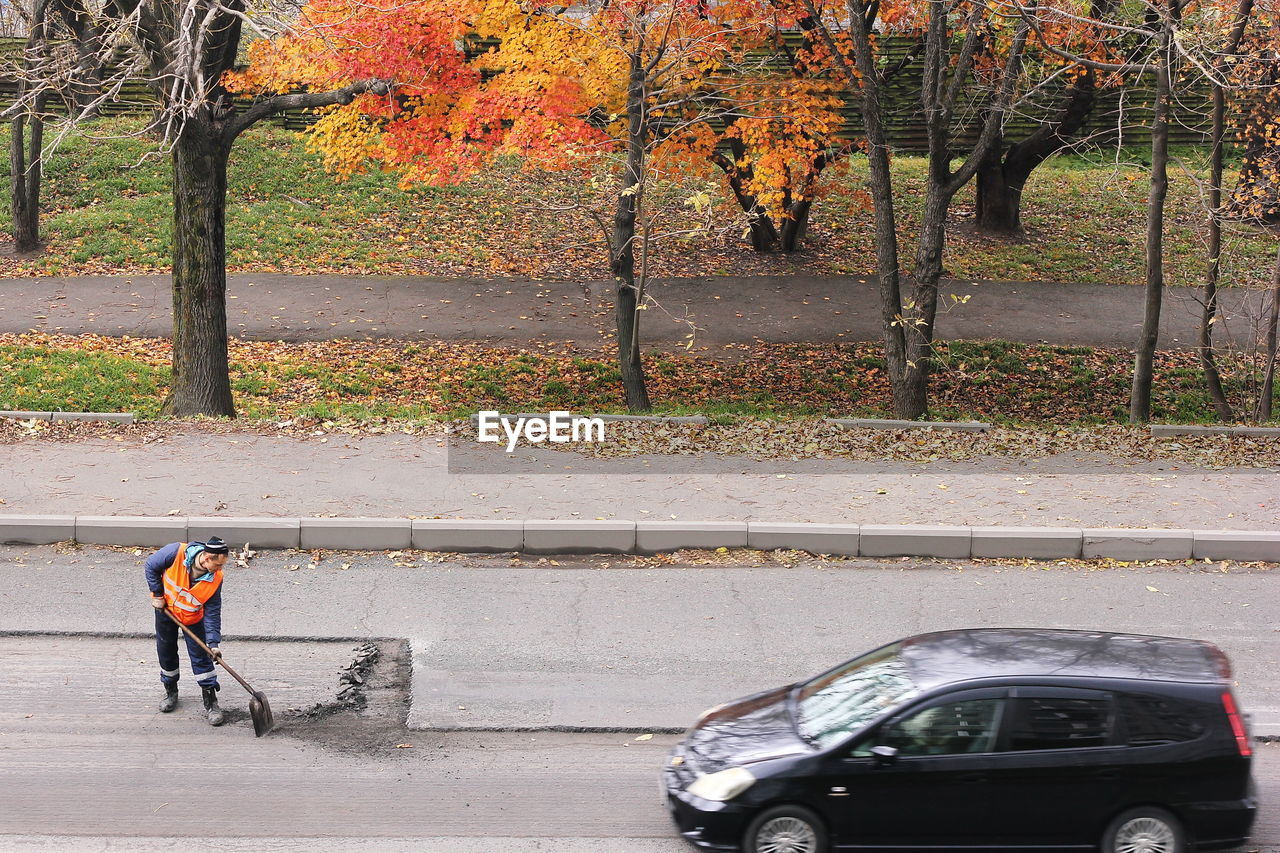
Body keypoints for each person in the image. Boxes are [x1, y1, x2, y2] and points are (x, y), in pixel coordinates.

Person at [145, 537, 229, 725]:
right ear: (207, 558)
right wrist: (157, 594)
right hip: (166, 611)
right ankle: (171, 692)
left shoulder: (216, 578)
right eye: (218, 565)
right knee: (166, 653)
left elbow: (213, 611)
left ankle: (211, 702)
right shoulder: (175, 552)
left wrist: (213, 644)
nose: (220, 570)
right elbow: (151, 565)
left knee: (201, 657)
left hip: (193, 618)